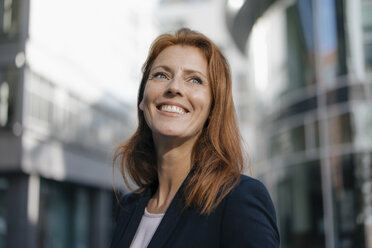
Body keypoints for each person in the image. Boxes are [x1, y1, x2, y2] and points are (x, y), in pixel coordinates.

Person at [110, 28, 280, 248]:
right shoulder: (128, 207)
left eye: (195, 80)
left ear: (212, 108)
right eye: (161, 75)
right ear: (143, 100)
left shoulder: (238, 199)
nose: (174, 87)